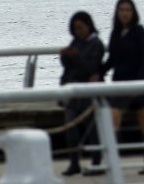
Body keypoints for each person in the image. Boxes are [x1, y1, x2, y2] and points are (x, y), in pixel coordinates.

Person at [97, 0, 144, 175]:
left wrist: (140, 83)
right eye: (122, 10)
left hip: (137, 83)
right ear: (117, 13)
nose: (124, 13)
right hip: (120, 83)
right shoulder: (116, 33)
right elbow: (112, 60)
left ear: (133, 13)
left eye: (128, 10)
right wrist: (98, 72)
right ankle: (114, 161)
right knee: (114, 118)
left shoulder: (139, 32)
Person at [59, 11, 105, 177]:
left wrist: (75, 57)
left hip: (88, 90)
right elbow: (69, 67)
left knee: (92, 128)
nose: (78, 31)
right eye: (75, 28)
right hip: (73, 90)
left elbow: (91, 67)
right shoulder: (76, 42)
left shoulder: (96, 44)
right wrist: (65, 57)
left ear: (88, 26)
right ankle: (74, 162)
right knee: (71, 128)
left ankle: (96, 161)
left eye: (81, 27)